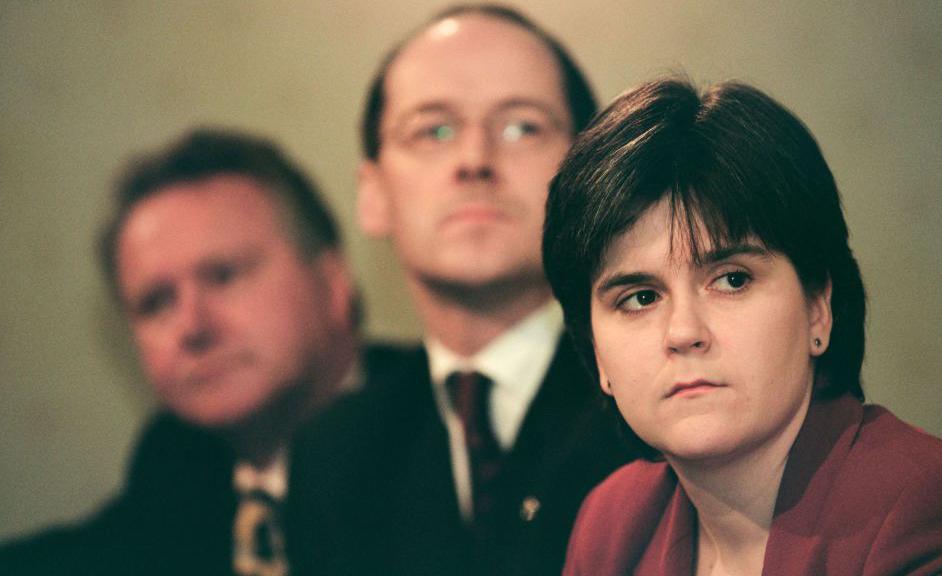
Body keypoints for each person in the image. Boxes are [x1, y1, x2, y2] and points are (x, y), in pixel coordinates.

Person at [542, 76, 942, 575]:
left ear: (818, 306)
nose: (683, 331)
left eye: (731, 280)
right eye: (640, 298)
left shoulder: (935, 514)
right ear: (596, 352)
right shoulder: (612, 525)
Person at [291, 5, 631, 576]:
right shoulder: (334, 455)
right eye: (434, 130)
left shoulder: (662, 394)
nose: (475, 161)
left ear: (588, 176)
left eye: (522, 126)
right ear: (372, 194)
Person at [0, 128, 361, 575]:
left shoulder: (450, 431)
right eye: (156, 303)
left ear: (333, 284)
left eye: (224, 275)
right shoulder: (177, 465)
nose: (192, 327)